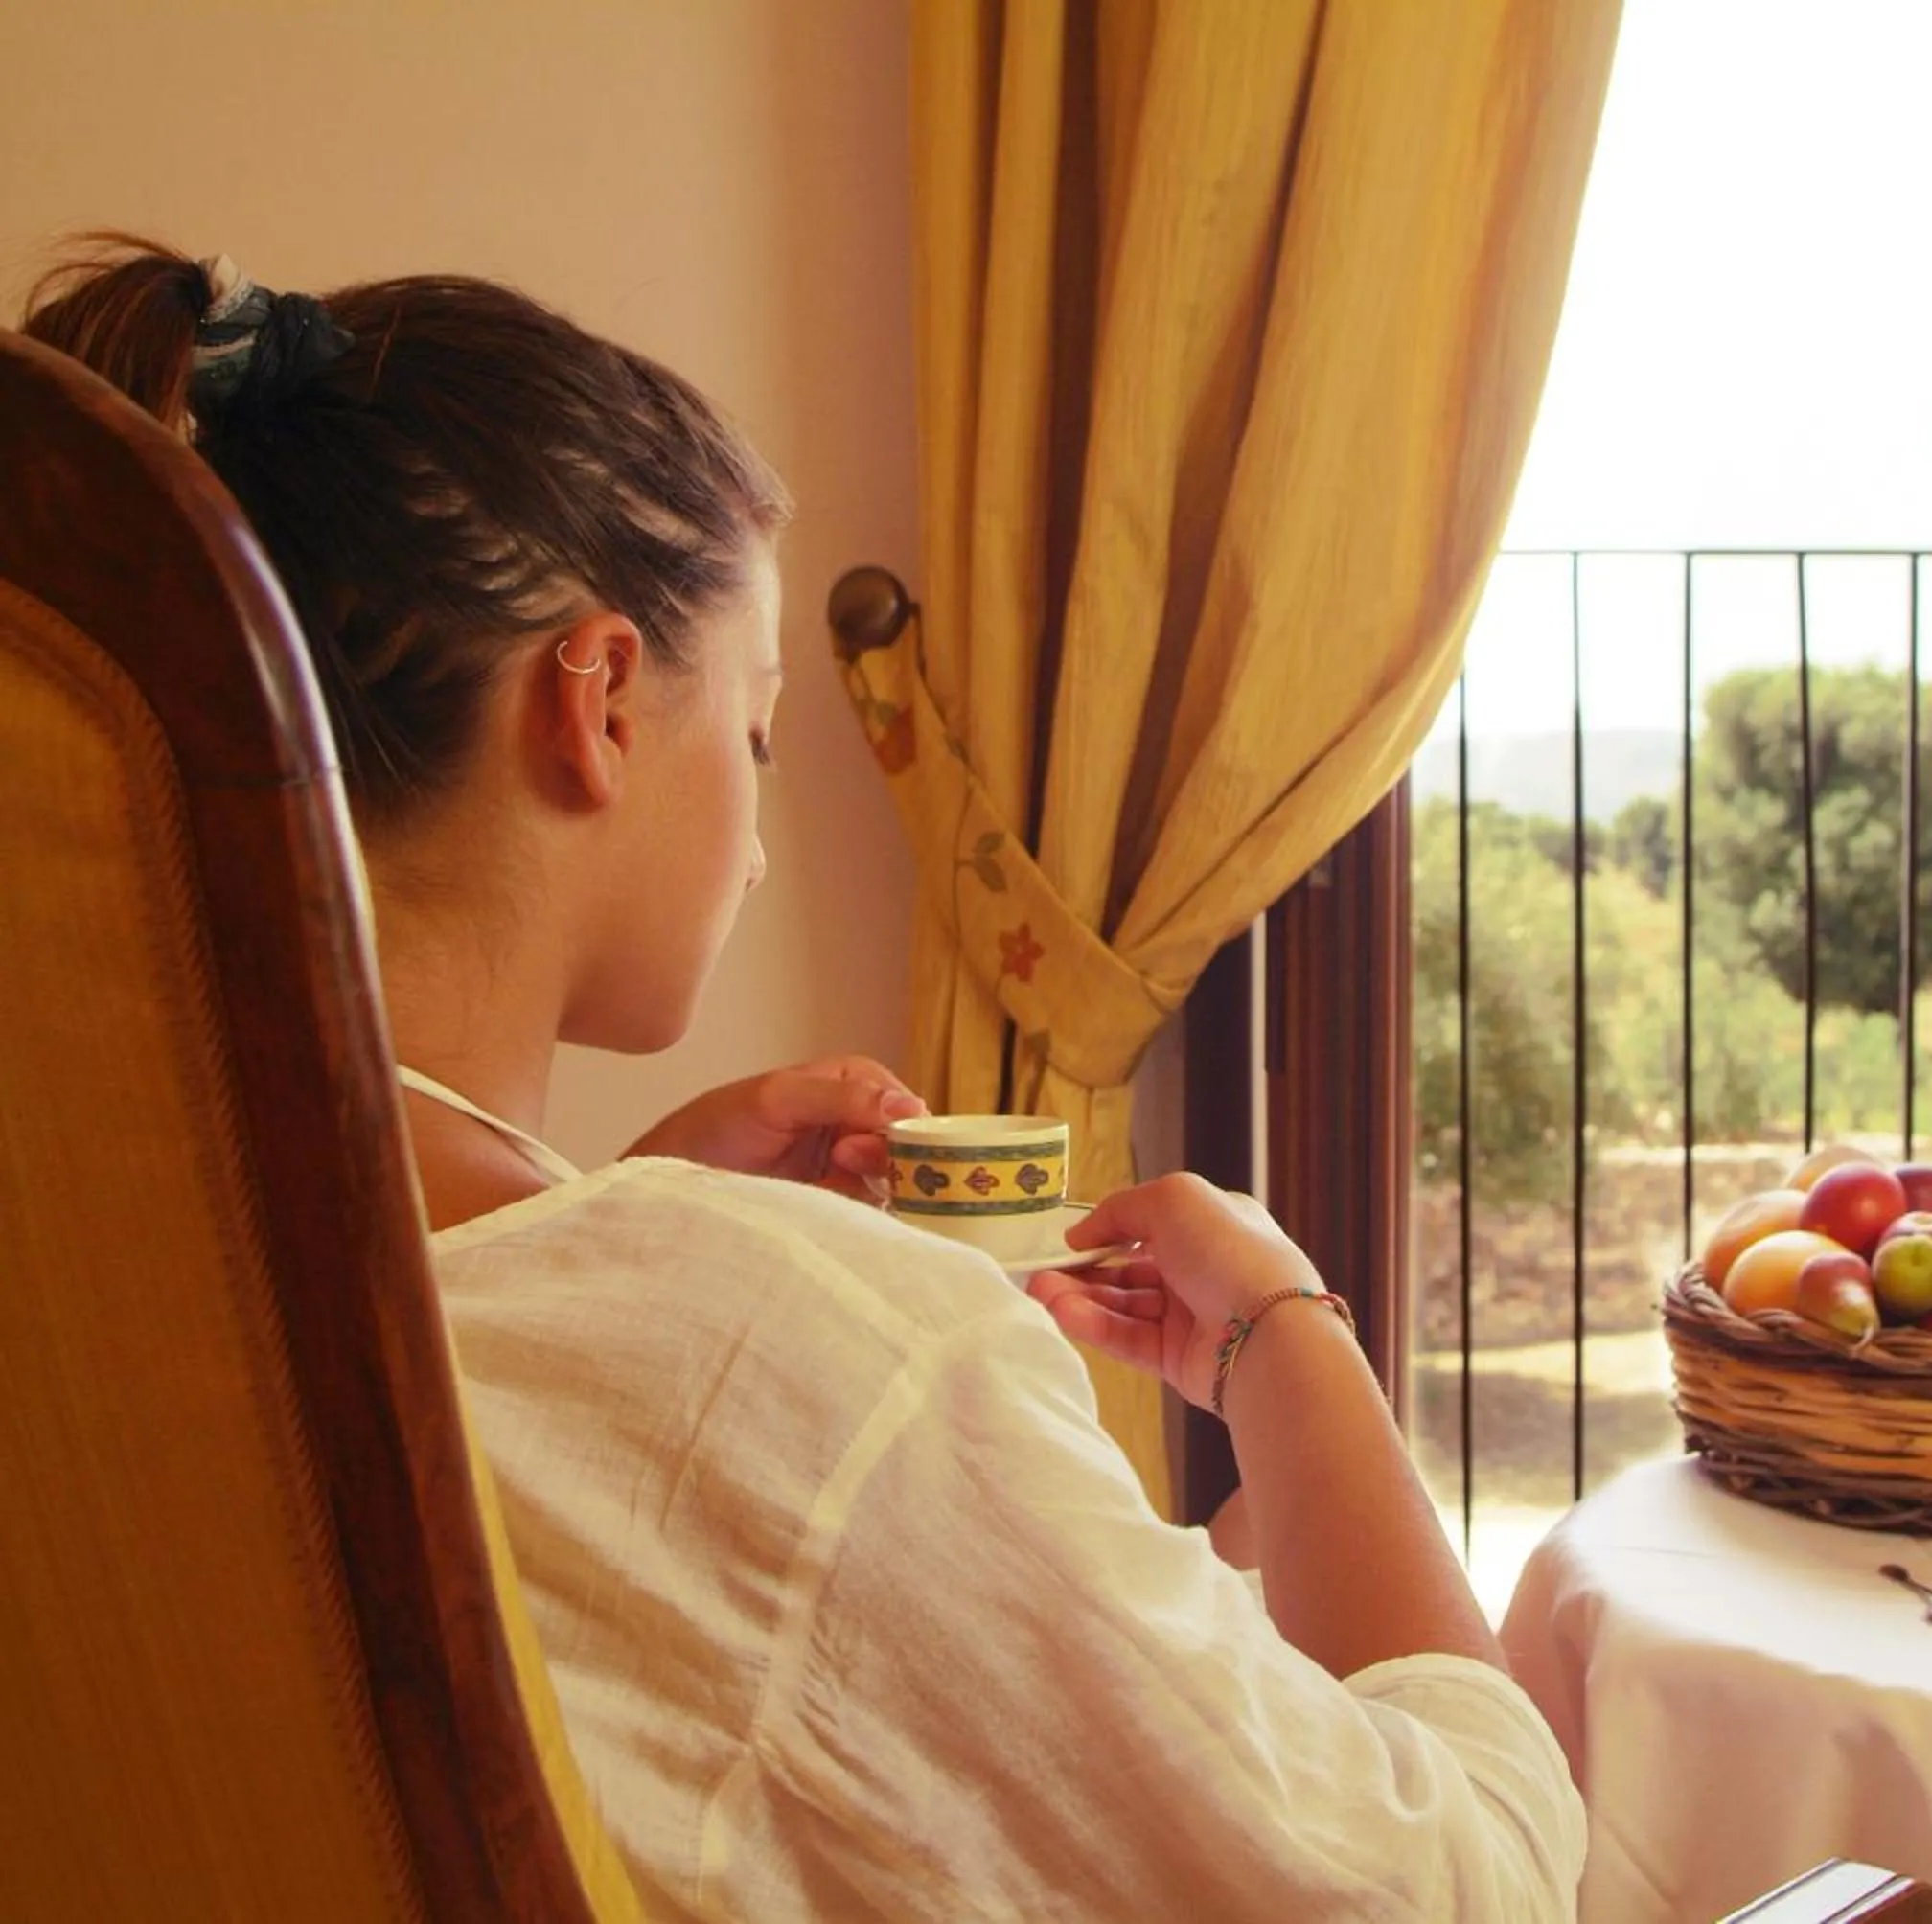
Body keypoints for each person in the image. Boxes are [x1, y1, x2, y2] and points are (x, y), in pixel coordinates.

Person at [23, 240, 1582, 1920]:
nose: (760, 847)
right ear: (603, 700)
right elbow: (1464, 1887)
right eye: (757, 739)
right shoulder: (815, 1356)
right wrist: (1288, 1340)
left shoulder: (104, 1310)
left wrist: (610, 1218)